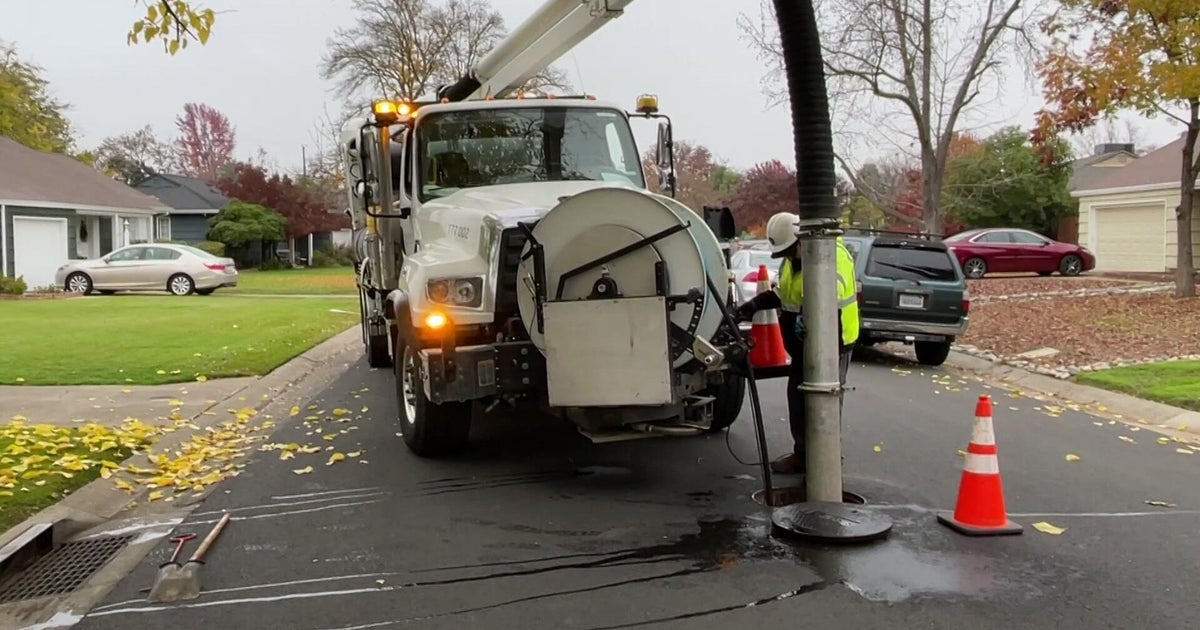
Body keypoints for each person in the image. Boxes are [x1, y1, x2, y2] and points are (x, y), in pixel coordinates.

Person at [733, 212, 860, 475]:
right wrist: (752, 306)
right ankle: (803, 455)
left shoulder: (831, 256)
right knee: (798, 400)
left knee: (823, 403)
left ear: (802, 240)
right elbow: (783, 293)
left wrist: (810, 314)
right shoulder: (794, 261)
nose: (789, 257)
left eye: (791, 251)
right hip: (804, 347)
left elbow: (830, 297)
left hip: (832, 345)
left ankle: (826, 460)